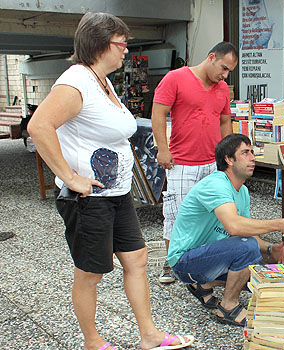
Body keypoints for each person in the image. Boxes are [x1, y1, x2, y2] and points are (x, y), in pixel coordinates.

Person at [27, 12, 194, 350]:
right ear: (101, 44)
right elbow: (38, 126)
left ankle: (149, 335)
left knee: (137, 259)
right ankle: (92, 342)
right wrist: (70, 177)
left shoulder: (101, 80)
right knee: (91, 273)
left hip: (117, 193)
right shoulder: (76, 81)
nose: (125, 51)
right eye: (122, 44)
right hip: (90, 199)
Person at [167, 134, 284, 327]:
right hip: (184, 261)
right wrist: (280, 224)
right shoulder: (216, 184)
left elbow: (245, 232)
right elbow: (234, 226)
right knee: (247, 250)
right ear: (229, 159)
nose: (252, 157)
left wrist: (270, 249)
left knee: (257, 276)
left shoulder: (241, 191)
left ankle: (203, 284)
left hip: (207, 255)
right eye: (245, 152)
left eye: (252, 152)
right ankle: (227, 307)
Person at [152, 42, 237, 283]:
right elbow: (158, 113)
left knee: (213, 216)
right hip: (182, 163)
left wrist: (228, 158)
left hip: (213, 164)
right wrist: (162, 149)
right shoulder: (175, 78)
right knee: (175, 215)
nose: (225, 75)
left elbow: (224, 122)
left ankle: (206, 263)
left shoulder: (222, 89)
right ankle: (170, 265)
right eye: (223, 68)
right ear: (211, 57)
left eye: (229, 71)